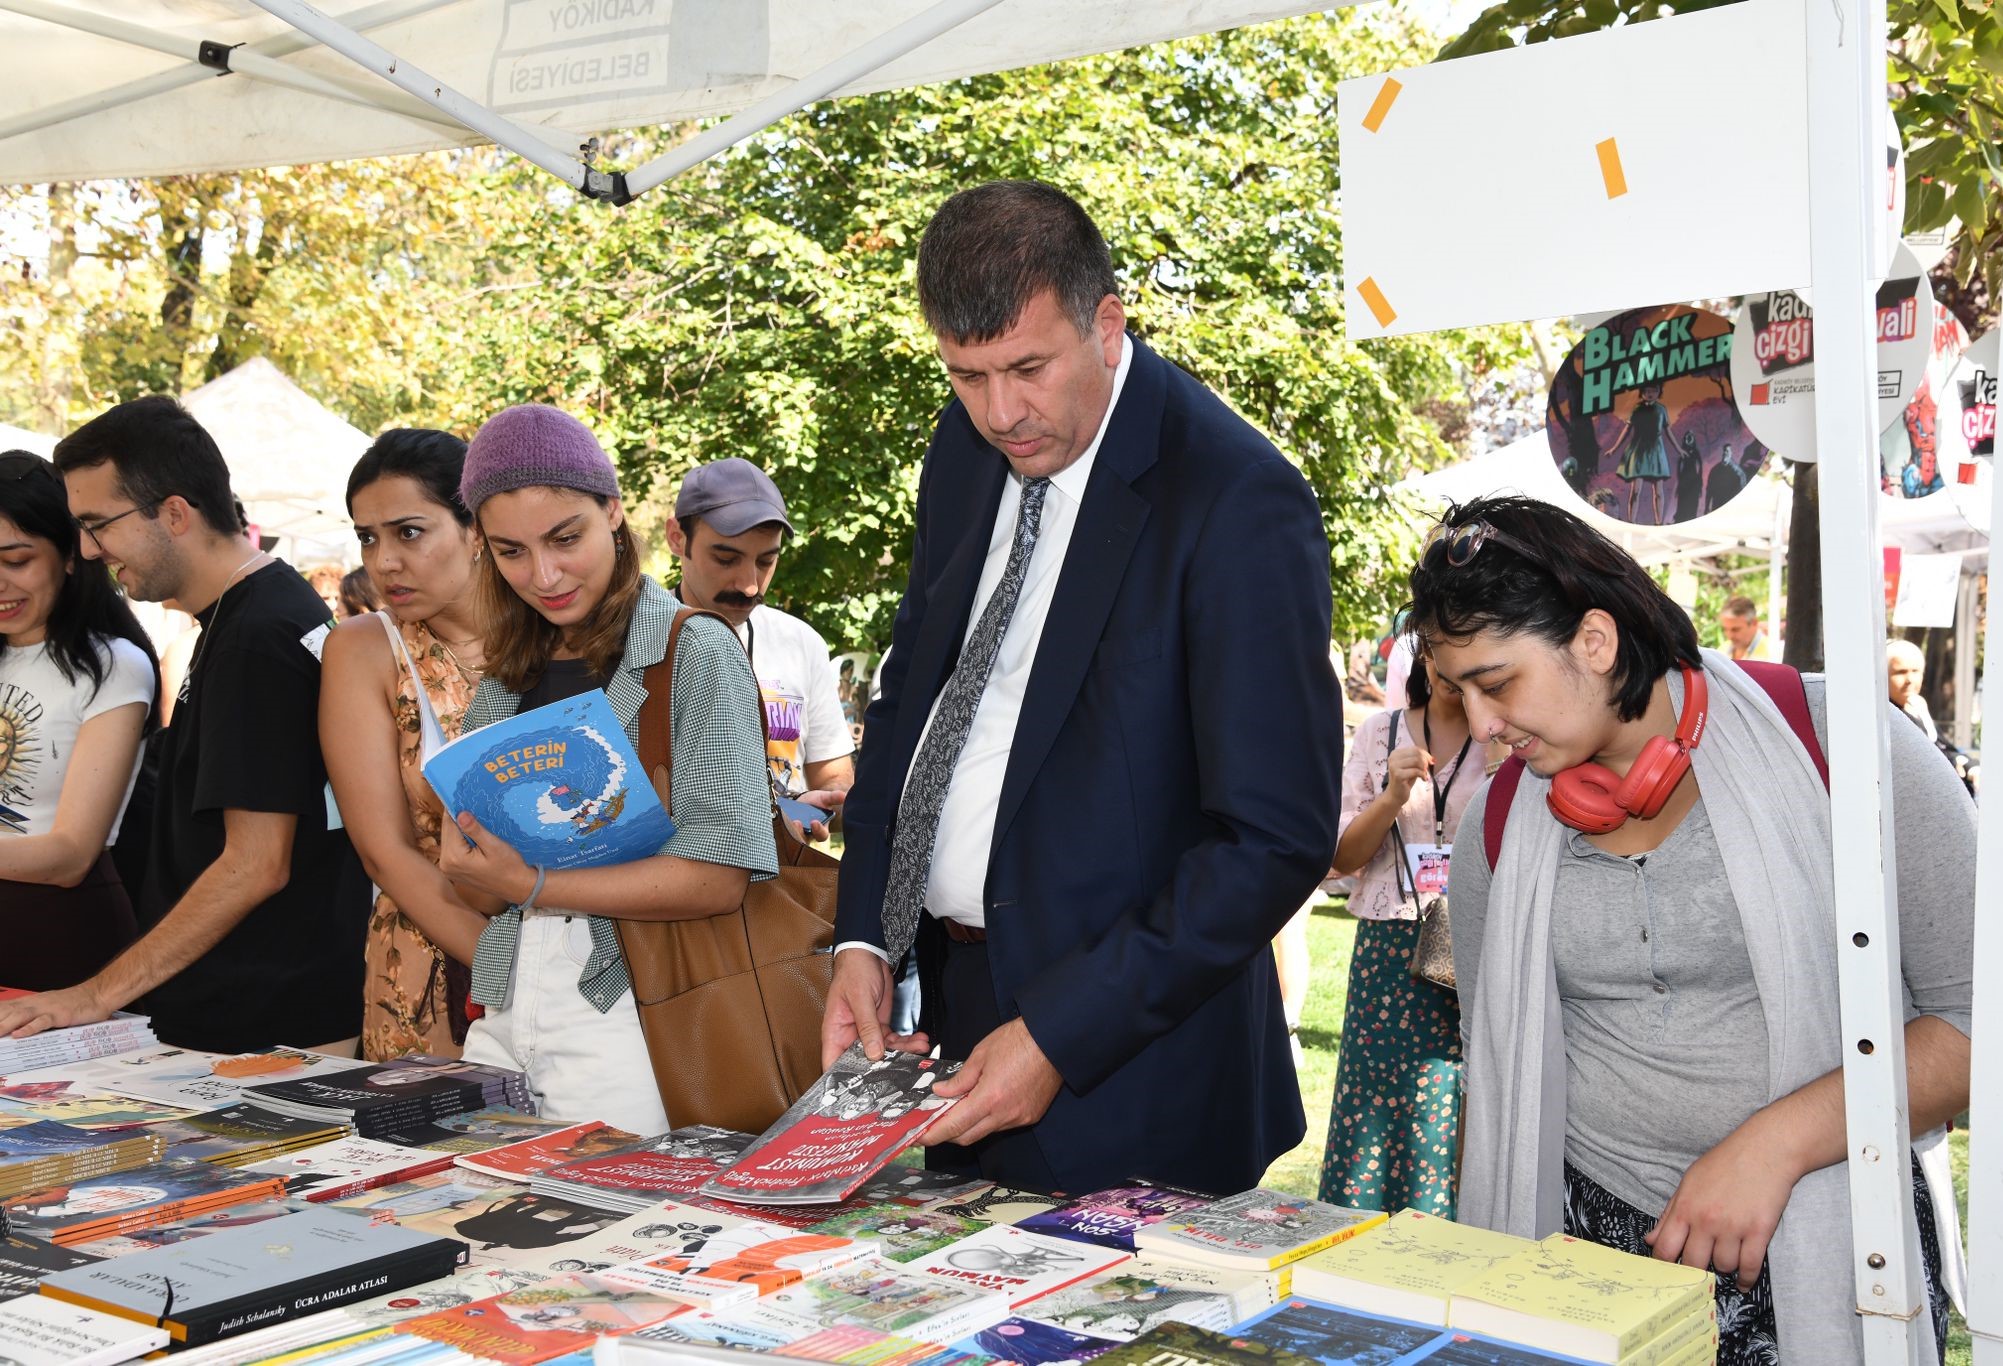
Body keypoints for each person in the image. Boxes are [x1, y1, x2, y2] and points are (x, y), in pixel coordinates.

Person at [821, 180, 1342, 1195]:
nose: (1001, 412)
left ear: (1106, 323)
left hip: (1139, 1064)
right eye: (966, 375)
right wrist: (864, 932)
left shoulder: (1236, 497)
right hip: (959, 1023)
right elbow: (914, 706)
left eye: (1027, 367)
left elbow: (1272, 838)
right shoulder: (961, 450)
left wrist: (1061, 1034)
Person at [1416, 495, 1968, 1363]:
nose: (1480, 725)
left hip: (1827, 1237)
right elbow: (1496, 1063)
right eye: (1461, 693)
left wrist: (1773, 1146)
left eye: (1495, 682)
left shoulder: (1848, 745)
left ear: (1594, 643)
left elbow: (1979, 1018)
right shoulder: (1495, 823)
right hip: (1582, 1249)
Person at [439, 404, 777, 1134]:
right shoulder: (506, 674)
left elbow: (721, 875)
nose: (544, 573)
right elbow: (478, 885)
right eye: (510, 551)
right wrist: (469, 861)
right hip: (502, 1002)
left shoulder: (695, 650)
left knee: (603, 1236)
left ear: (615, 513)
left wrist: (529, 882)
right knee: (489, 1228)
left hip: (636, 1006)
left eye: (566, 538)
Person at [0, 396, 369, 1053]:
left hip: (268, 1025)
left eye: (97, 524)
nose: (85, 550)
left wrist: (93, 994)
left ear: (173, 512)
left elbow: (255, 864)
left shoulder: (258, 634)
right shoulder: (246, 617)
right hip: (244, 1012)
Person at [321, 429, 491, 1061]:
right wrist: (509, 967)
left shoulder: (555, 636)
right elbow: (385, 852)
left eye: (408, 532)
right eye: (368, 536)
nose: (383, 559)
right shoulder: (364, 648)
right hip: (426, 966)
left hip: (584, 960)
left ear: (474, 529)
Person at [1317, 652, 1470, 1219]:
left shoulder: (1511, 735)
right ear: (1426, 657)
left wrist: (1507, 774)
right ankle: (1356, 1241)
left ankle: (1446, 1248)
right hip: (1390, 951)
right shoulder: (1380, 733)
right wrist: (1390, 797)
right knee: (1373, 1110)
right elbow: (1341, 857)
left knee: (1454, 1107)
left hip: (1477, 950)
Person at [0, 451, 160, 989]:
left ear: (71, 555)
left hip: (59, 937)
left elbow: (71, 853)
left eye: (16, 559)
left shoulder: (113, 664)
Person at [663, 458, 854, 839]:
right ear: (676, 538)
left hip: (778, 888)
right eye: (726, 558)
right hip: (668, 886)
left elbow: (834, 775)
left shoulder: (801, 643)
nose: (750, 585)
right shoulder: (633, 639)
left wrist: (822, 805)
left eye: (767, 560)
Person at [1718, 595, 1771, 661]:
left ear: (1754, 623)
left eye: (1735, 630)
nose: (1729, 636)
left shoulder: (1773, 653)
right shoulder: (1722, 651)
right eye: (1725, 629)